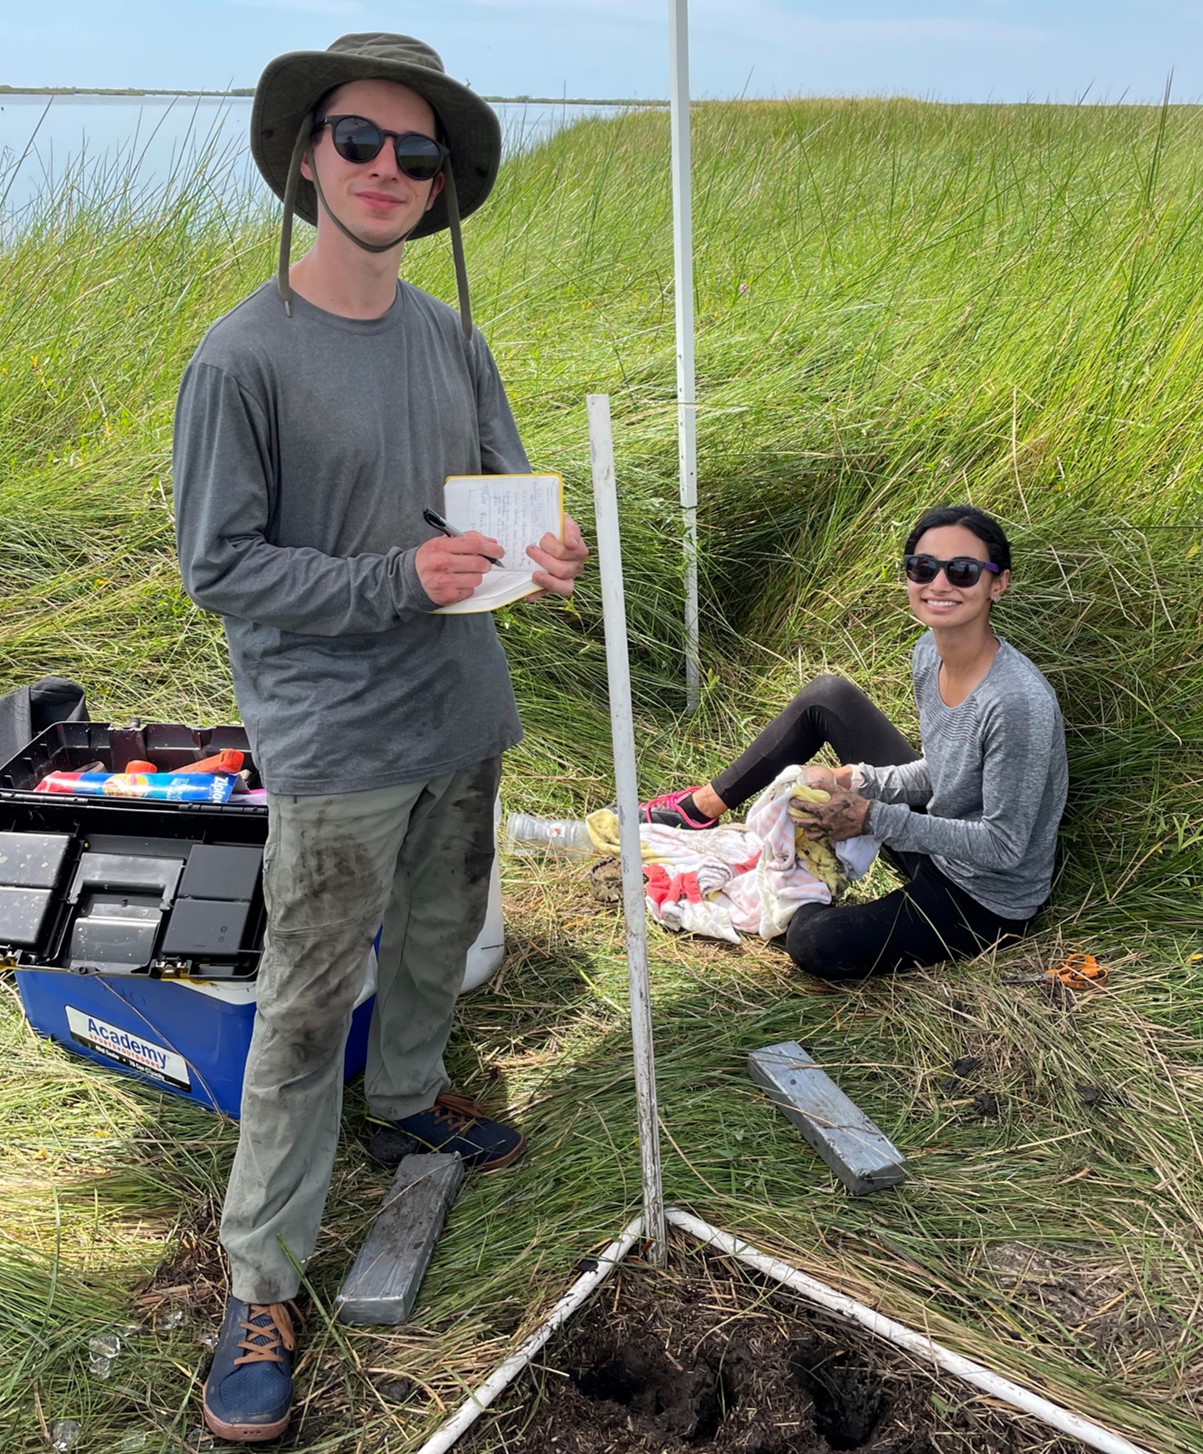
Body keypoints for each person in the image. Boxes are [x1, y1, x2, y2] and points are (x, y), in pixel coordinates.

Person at [172, 33, 588, 1443]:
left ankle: (408, 1093)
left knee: (435, 932)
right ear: (304, 153)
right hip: (335, 737)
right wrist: (386, 583)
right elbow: (217, 565)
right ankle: (259, 1279)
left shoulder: (450, 333)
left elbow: (493, 499)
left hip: (461, 708)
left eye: (417, 154)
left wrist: (548, 550)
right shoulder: (240, 358)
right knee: (300, 1010)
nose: (388, 172)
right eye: (361, 141)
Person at [641, 505, 1067, 981]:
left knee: (816, 943)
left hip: (985, 895)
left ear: (997, 583)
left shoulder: (1016, 703)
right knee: (828, 697)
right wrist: (854, 778)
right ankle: (698, 809)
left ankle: (792, 881)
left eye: (963, 571)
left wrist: (871, 817)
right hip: (938, 837)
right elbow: (944, 772)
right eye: (923, 568)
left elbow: (1006, 846)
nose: (940, 584)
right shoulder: (929, 652)